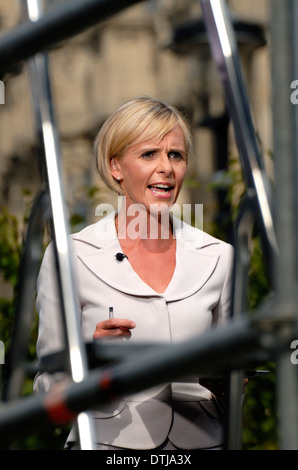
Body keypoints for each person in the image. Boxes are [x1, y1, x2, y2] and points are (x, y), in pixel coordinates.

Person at [34, 96, 234, 450]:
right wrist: (89, 358)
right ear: (116, 167)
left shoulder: (219, 257)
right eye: (148, 155)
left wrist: (232, 379)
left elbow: (233, 376)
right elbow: (47, 391)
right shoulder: (69, 257)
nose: (166, 168)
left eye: (176, 155)